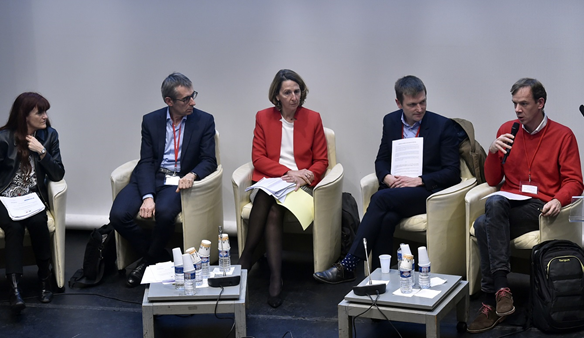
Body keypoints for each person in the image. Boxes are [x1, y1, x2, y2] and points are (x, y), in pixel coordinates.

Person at [314, 75, 461, 284]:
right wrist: (387, 176)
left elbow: (452, 172)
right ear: (398, 103)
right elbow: (382, 159)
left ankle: (349, 264)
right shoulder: (390, 121)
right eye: (412, 104)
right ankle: (380, 281)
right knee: (387, 218)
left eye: (423, 102)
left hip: (427, 192)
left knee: (380, 199)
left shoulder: (443, 126)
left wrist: (419, 180)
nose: (419, 108)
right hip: (397, 190)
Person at [467, 78, 583, 333]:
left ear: (540, 103)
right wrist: (493, 151)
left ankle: (490, 299)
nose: (517, 110)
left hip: (541, 208)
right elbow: (494, 179)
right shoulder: (508, 130)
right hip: (509, 203)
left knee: (484, 220)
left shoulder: (563, 135)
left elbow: (575, 181)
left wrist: (558, 199)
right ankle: (500, 291)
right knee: (488, 215)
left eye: (523, 104)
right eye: (514, 104)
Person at [109, 73, 217, 288]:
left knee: (166, 213)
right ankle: (159, 256)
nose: (192, 102)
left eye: (192, 95)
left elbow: (209, 160)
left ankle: (148, 262)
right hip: (152, 175)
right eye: (186, 99)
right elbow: (147, 161)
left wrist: (192, 174)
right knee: (118, 215)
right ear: (169, 101)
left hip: (178, 179)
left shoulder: (204, 120)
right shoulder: (151, 120)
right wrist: (147, 196)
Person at [238, 69, 328, 308]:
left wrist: (304, 177)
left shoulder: (313, 118)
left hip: (300, 186)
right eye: (287, 92)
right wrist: (288, 172)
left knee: (268, 199)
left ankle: (246, 257)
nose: (293, 97)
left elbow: (322, 161)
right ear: (277, 95)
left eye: (297, 91)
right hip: (274, 179)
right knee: (272, 209)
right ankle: (275, 278)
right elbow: (258, 159)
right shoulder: (263, 117)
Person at [0, 92, 65, 313]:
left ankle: (44, 280)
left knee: (38, 222)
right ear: (25, 115)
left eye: (45, 112)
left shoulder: (49, 136)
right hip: (2, 196)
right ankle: (14, 289)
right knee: (14, 226)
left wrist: (42, 151)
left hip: (30, 196)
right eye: (40, 112)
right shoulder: (4, 137)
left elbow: (58, 174)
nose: (45, 116)